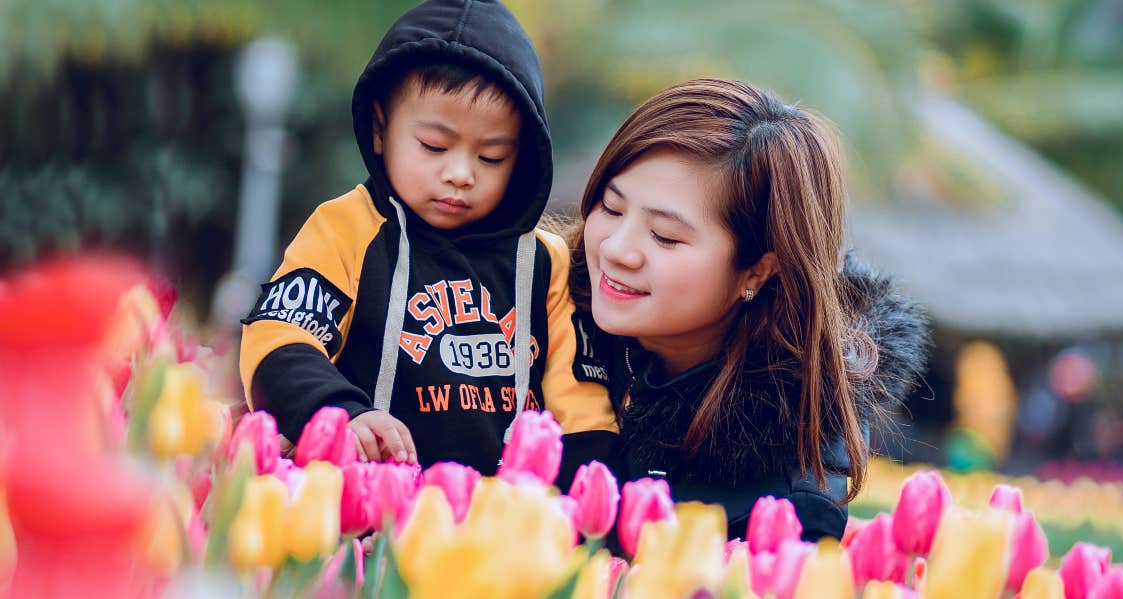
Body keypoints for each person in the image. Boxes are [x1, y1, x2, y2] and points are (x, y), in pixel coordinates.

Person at [239, 0, 616, 479]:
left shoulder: (545, 263)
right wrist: (339, 415)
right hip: (370, 512)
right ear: (381, 130)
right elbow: (280, 340)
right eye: (434, 147)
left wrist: (583, 508)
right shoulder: (345, 228)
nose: (460, 174)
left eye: (492, 157)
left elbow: (583, 408)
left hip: (499, 528)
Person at [567, 79, 929, 541]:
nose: (617, 249)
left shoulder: (784, 505)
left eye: (665, 237)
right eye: (612, 208)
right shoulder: (539, 322)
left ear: (756, 272)